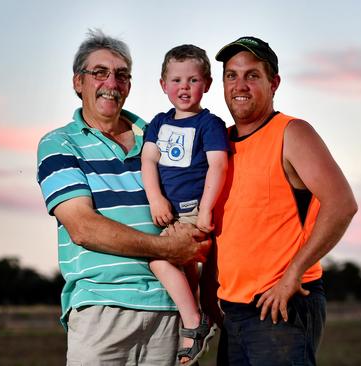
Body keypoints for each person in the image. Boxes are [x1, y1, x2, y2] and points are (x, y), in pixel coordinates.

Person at [36, 29, 211, 366]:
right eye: (99, 72)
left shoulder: (160, 135)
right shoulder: (59, 145)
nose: (111, 83)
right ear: (78, 82)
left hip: (171, 310)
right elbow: (83, 228)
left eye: (121, 75)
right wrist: (167, 249)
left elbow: (191, 195)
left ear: (129, 86)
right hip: (101, 309)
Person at [201, 36, 358, 365]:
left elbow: (342, 203)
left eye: (252, 75)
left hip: (280, 303)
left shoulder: (291, 132)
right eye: (232, 75)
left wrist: (292, 276)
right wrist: (207, 291)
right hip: (233, 310)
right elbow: (223, 230)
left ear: (274, 83)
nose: (240, 85)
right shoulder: (219, 145)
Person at [141, 44, 229, 365]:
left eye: (193, 80)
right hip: (170, 214)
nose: (184, 87)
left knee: (158, 259)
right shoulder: (159, 122)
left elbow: (218, 166)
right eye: (176, 80)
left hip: (194, 211)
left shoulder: (209, 124)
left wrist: (206, 209)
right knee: (187, 274)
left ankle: (194, 323)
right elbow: (148, 160)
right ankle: (200, 316)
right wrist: (155, 198)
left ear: (206, 83)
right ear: (163, 85)